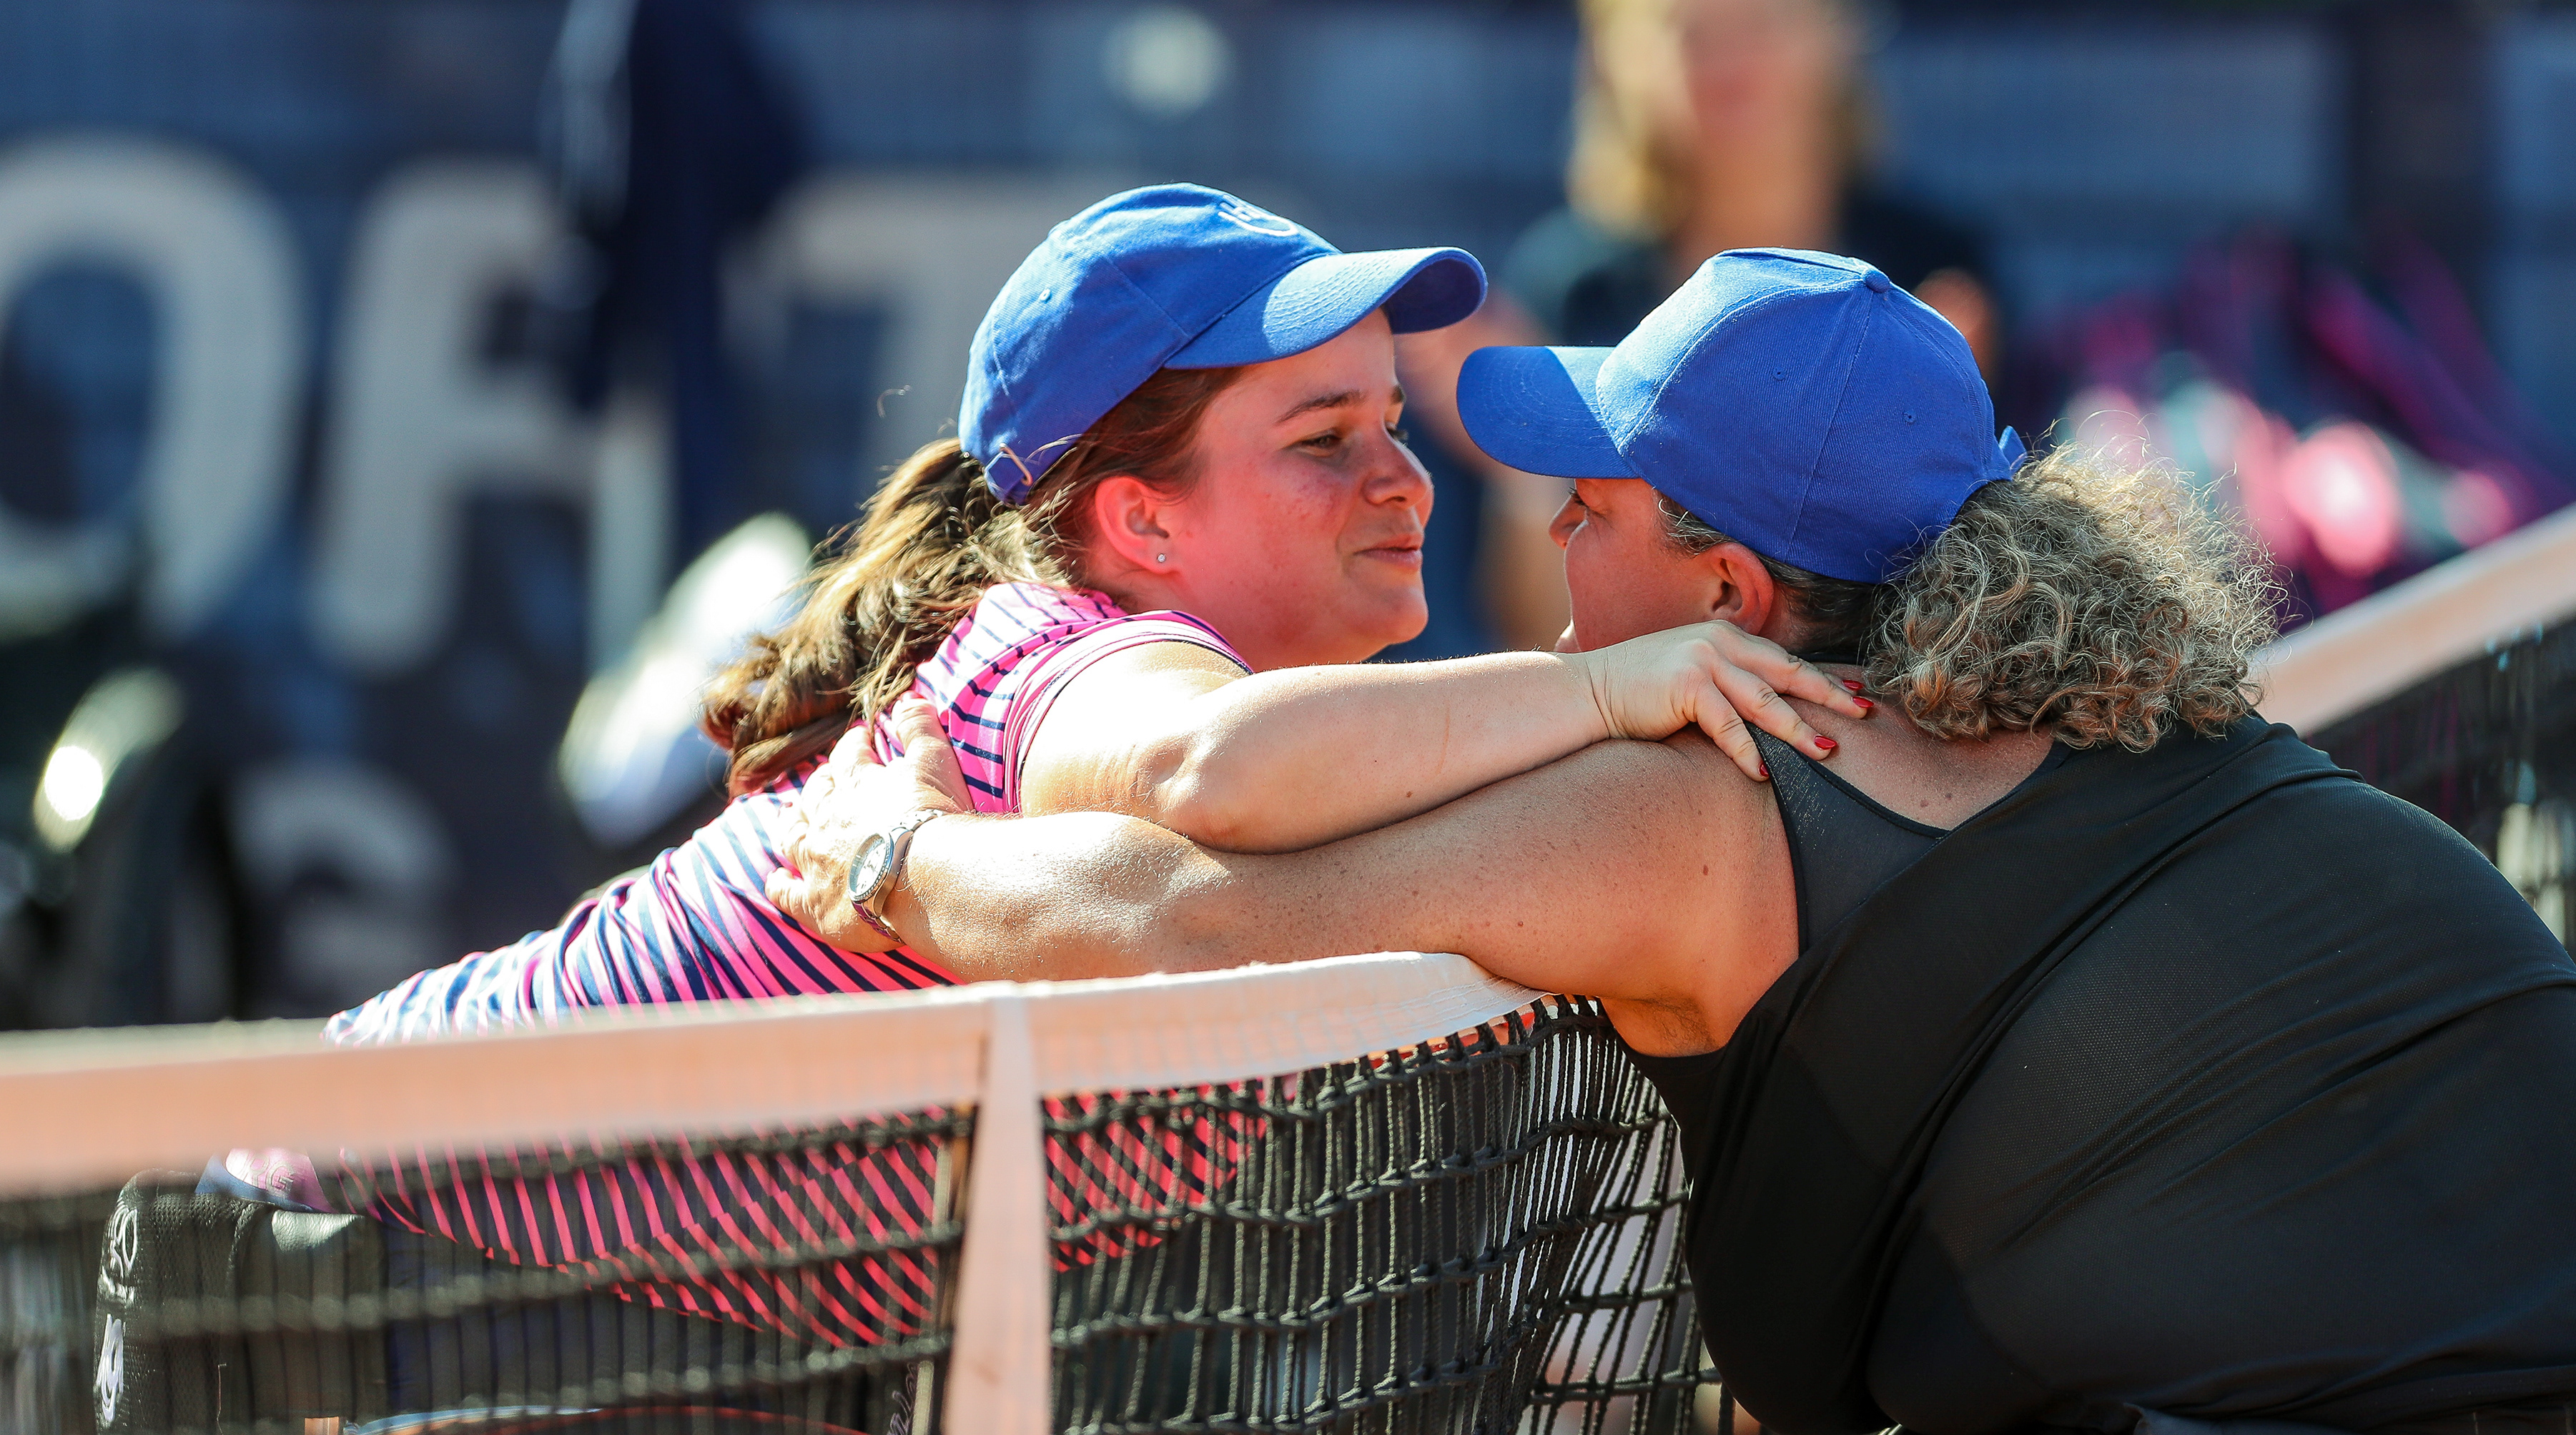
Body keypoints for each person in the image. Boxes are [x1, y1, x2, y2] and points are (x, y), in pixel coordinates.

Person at [770, 250, 2576, 1435]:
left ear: (1732, 594)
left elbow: (1179, 914)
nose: (1543, 523)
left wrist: (888, 853)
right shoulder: (2169, 717)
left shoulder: (1704, 799)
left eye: (1601, 501)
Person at [302, 187, 1854, 1339]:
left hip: (526, 1277)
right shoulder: (1073, 652)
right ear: (1143, 524)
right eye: (1325, 440)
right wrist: (1607, 691)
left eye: (1394, 422)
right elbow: (1208, 769)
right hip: (348, 1243)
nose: (1404, 478)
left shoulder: (1136, 657)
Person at [1399, 0, 1998, 651]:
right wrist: (1528, 470)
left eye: (1762, 25)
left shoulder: (1939, 268)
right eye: (1691, 34)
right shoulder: (1571, 280)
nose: (1730, 66)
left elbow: (1964, 594)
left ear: (1837, 34)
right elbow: (1555, 643)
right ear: (1625, 62)